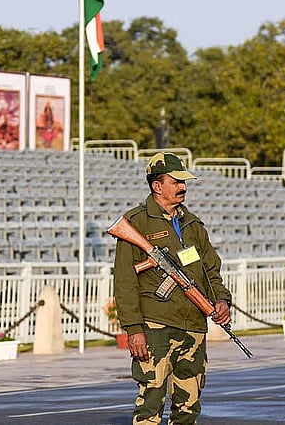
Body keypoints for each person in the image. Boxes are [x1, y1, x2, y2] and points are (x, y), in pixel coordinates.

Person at [113, 152, 233, 424]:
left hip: (193, 325)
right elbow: (125, 281)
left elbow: (211, 268)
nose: (183, 187)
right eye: (176, 181)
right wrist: (134, 329)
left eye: (184, 181)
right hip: (156, 326)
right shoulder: (137, 223)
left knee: (188, 408)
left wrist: (222, 301)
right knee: (150, 405)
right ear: (157, 186)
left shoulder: (192, 224)